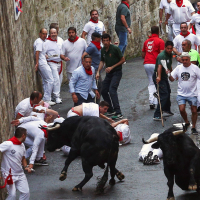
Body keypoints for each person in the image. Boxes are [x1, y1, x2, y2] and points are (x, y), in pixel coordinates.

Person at [167, 52, 200, 134]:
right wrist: (168, 74)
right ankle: (187, 122)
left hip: (192, 94)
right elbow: (172, 79)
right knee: (181, 110)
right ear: (181, 60)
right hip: (181, 94)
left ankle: (193, 127)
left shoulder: (195, 68)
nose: (185, 61)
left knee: (194, 111)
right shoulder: (178, 68)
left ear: (189, 59)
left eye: (186, 60)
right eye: (183, 60)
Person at [96, 34, 125, 120]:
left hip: (116, 72)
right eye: (103, 41)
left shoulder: (115, 49)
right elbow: (102, 61)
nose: (105, 42)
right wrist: (98, 71)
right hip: (109, 73)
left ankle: (118, 112)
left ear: (109, 41)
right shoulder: (103, 50)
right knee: (104, 90)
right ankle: (111, 109)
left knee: (112, 90)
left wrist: (112, 67)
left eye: (107, 40)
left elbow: (123, 60)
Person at [0, 127, 31, 199]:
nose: (26, 137)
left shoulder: (22, 145)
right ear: (23, 135)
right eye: (26, 135)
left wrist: (26, 166)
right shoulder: (8, 144)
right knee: (12, 195)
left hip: (20, 173)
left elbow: (23, 158)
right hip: (9, 174)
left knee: (26, 193)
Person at [142, 26, 165, 109]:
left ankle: (151, 101)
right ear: (158, 32)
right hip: (155, 63)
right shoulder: (160, 41)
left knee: (151, 82)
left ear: (151, 32)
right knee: (157, 82)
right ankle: (156, 101)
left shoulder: (146, 42)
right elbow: (162, 55)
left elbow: (143, 55)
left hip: (146, 63)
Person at [153, 41, 174, 121]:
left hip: (164, 76)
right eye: (168, 48)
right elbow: (159, 66)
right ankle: (157, 114)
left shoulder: (170, 54)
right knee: (164, 94)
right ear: (165, 48)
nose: (169, 50)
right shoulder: (162, 55)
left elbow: (169, 65)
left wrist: (170, 74)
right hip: (159, 76)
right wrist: (159, 76)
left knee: (168, 92)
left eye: (171, 48)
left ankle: (166, 109)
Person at [33, 29, 55, 106]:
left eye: (46, 34)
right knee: (50, 80)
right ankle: (47, 98)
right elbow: (37, 52)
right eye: (43, 34)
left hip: (43, 62)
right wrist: (37, 63)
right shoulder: (39, 42)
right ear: (39, 34)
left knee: (46, 80)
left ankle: (46, 98)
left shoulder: (42, 42)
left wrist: (45, 56)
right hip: (42, 63)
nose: (45, 35)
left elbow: (40, 53)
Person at [43, 28, 62, 104]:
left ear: (57, 33)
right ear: (49, 34)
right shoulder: (46, 42)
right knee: (56, 79)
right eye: (52, 33)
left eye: (55, 33)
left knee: (60, 79)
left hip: (59, 62)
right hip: (51, 62)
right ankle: (56, 96)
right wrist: (45, 55)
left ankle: (56, 95)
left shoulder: (60, 40)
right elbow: (43, 52)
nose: (53, 34)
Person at [82, 32, 102, 103]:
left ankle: (96, 103)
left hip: (97, 69)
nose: (101, 39)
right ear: (96, 38)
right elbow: (84, 55)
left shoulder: (97, 46)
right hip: (94, 69)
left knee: (99, 86)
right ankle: (94, 104)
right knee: (96, 86)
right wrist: (86, 66)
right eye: (100, 38)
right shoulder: (92, 46)